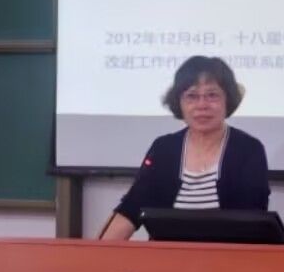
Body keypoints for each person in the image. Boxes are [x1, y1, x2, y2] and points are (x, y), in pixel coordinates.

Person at [99, 56, 270, 240]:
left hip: (227, 256)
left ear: (227, 100)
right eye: (192, 96)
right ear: (179, 102)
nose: (202, 105)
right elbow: (132, 208)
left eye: (212, 95)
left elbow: (251, 223)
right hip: (168, 256)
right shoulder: (164, 149)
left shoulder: (248, 150)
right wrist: (99, 252)